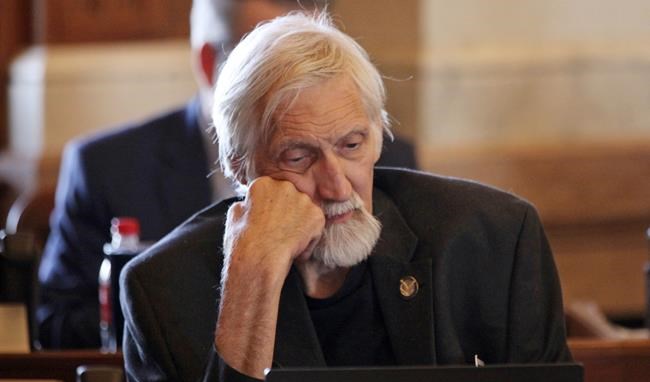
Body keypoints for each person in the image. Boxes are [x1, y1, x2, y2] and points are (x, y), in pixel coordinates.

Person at [120, 10, 616, 382]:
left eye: (352, 145)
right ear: (239, 166)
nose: (337, 186)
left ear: (378, 135)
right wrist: (252, 279)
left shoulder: (494, 240)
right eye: (298, 156)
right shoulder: (163, 289)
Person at [36, 0, 417, 349]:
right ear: (209, 64)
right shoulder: (110, 169)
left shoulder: (396, 165)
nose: (336, 185)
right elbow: (56, 324)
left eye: (307, 50)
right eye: (264, 54)